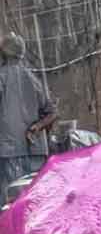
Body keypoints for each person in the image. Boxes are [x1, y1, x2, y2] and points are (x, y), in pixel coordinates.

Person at [0, 32, 57, 204]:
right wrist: (37, 126)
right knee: (37, 202)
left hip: (9, 152)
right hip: (36, 150)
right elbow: (52, 112)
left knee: (14, 204)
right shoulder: (33, 78)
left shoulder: (1, 77)